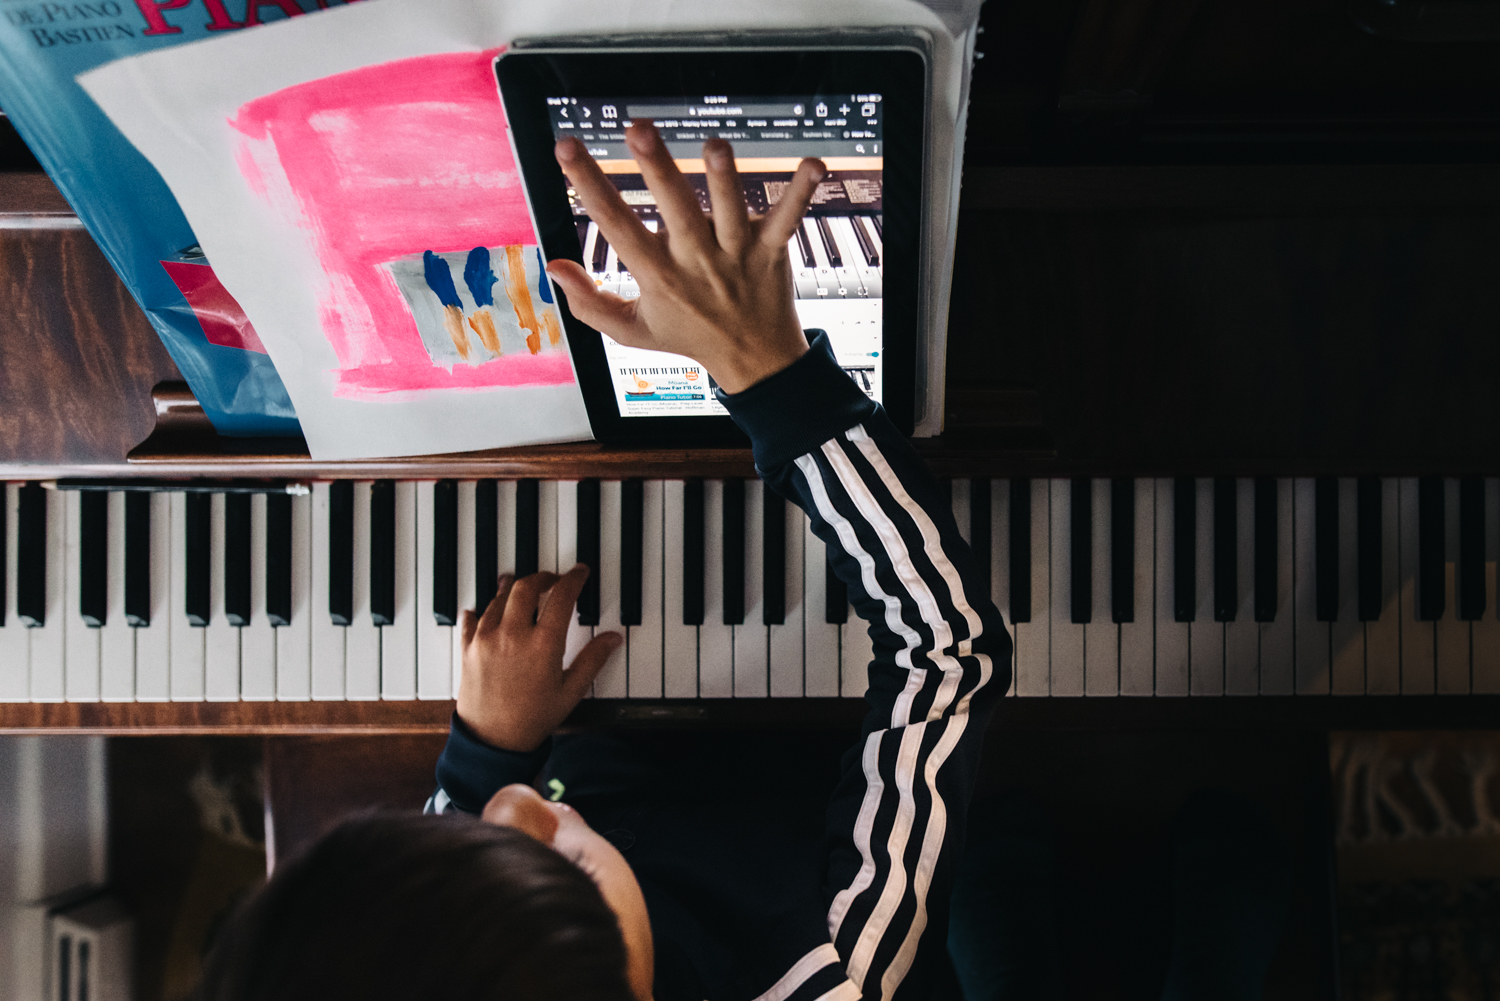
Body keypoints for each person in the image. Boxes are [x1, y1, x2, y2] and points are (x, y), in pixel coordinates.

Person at [191, 119, 1010, 1001]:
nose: (518, 805)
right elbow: (948, 651)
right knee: (1015, 864)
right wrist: (773, 377)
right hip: (805, 808)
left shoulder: (443, 936)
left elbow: (474, 824)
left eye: (457, 837)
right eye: (563, 863)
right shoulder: (832, 971)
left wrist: (484, 750)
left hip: (652, 789)